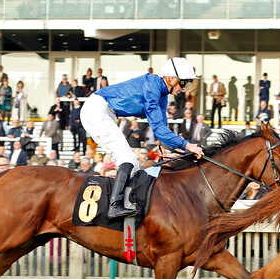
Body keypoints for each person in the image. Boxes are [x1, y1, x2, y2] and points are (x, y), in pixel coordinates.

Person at [81, 58, 203, 219]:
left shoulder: (162, 94)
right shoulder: (152, 88)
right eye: (183, 82)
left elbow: (163, 131)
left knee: (134, 166)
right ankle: (113, 207)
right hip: (97, 110)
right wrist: (188, 146)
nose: (184, 88)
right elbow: (159, 131)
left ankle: (127, 206)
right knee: (128, 160)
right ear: (171, 78)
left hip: (105, 112)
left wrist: (172, 150)